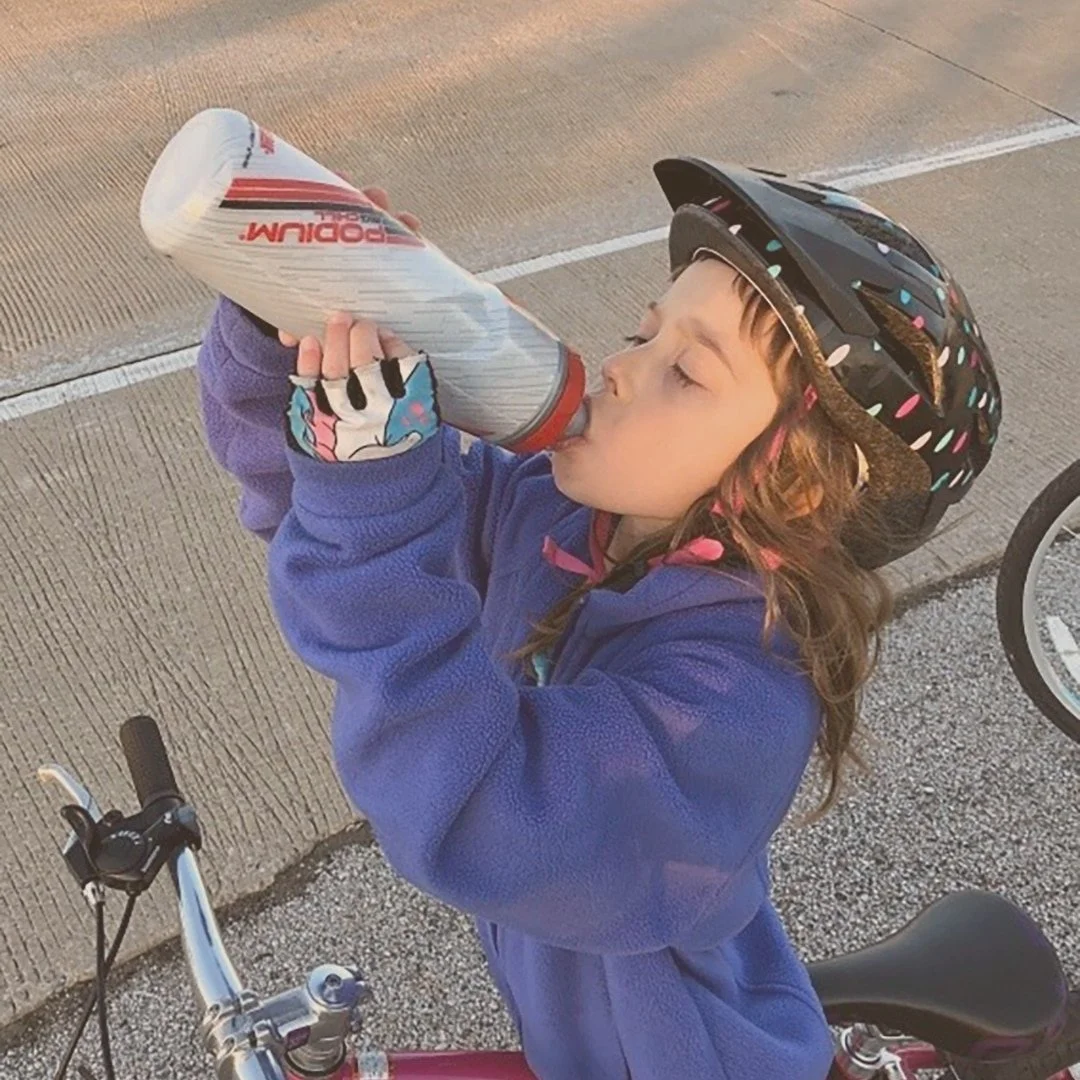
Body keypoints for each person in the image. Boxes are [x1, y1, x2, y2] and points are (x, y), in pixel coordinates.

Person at [196, 159, 1002, 1079]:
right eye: (642, 333)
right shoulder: (549, 520)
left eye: (685, 373)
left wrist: (373, 494)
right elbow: (317, 515)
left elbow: (484, 811)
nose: (619, 369)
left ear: (799, 485)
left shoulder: (737, 699)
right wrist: (292, 320)